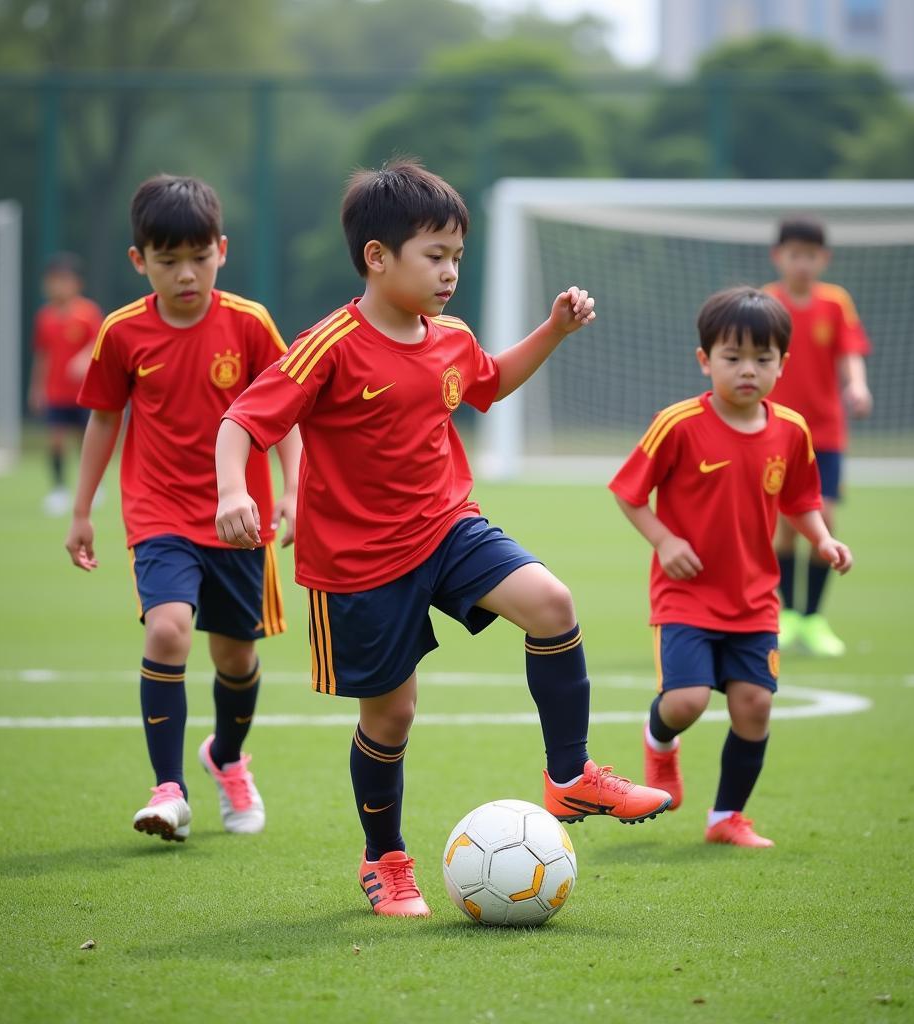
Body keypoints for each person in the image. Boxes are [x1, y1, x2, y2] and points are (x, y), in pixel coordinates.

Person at [214, 159, 671, 917]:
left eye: (457, 255)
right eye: (436, 255)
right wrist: (235, 490)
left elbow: (489, 381)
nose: (451, 271)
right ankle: (386, 860)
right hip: (357, 565)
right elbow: (242, 421)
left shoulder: (451, 337)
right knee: (390, 718)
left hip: (447, 527)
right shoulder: (328, 344)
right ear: (377, 257)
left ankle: (570, 776)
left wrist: (553, 331)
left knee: (552, 603)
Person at [64, 174, 301, 843]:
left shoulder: (249, 324)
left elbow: (287, 415)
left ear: (221, 250)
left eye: (199, 257)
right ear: (140, 261)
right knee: (167, 629)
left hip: (239, 519)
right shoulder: (121, 333)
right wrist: (83, 510)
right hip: (159, 512)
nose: (186, 274)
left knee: (235, 660)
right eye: (168, 262)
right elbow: (105, 421)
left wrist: (292, 489)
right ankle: (169, 788)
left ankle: (226, 759)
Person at [611, 286, 853, 847]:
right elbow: (628, 493)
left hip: (755, 598)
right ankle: (659, 740)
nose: (748, 370)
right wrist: (665, 540)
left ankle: (726, 819)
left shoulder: (791, 430)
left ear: (782, 365)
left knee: (755, 706)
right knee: (686, 702)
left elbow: (801, 499)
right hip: (687, 594)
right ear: (705, 360)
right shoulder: (677, 423)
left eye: (762, 359)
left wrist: (821, 540)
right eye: (733, 358)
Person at [765, 217, 872, 656]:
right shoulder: (766, 302)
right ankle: (789, 616)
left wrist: (858, 385)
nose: (802, 263)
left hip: (824, 433)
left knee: (823, 519)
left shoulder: (835, 303)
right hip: (776, 430)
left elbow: (849, 352)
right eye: (794, 254)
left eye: (810, 255)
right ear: (779, 257)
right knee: (787, 529)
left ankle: (814, 618)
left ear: (823, 259)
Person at [27, 252, 103, 516]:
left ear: (76, 283)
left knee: (87, 441)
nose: (58, 286)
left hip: (84, 392)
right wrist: (36, 389)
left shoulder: (88, 313)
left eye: (64, 280)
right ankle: (59, 490)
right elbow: (43, 355)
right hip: (56, 392)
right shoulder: (45, 317)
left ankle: (93, 486)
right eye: (53, 280)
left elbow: (99, 342)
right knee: (56, 440)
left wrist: (83, 358)